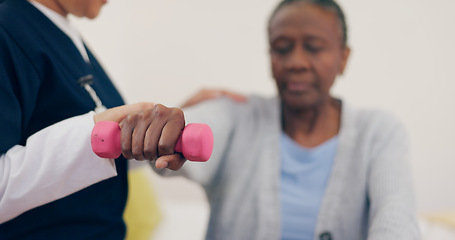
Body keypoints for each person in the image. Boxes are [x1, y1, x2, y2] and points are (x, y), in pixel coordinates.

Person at [126, 0, 422, 239]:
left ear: (343, 58)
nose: (295, 62)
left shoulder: (379, 132)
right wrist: (172, 129)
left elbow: (397, 218)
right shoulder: (237, 113)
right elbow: (201, 126)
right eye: (281, 48)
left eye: (314, 47)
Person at [0, 0, 187, 239]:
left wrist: (158, 136)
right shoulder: (7, 29)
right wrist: (96, 138)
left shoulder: (58, 30)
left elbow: (94, 156)